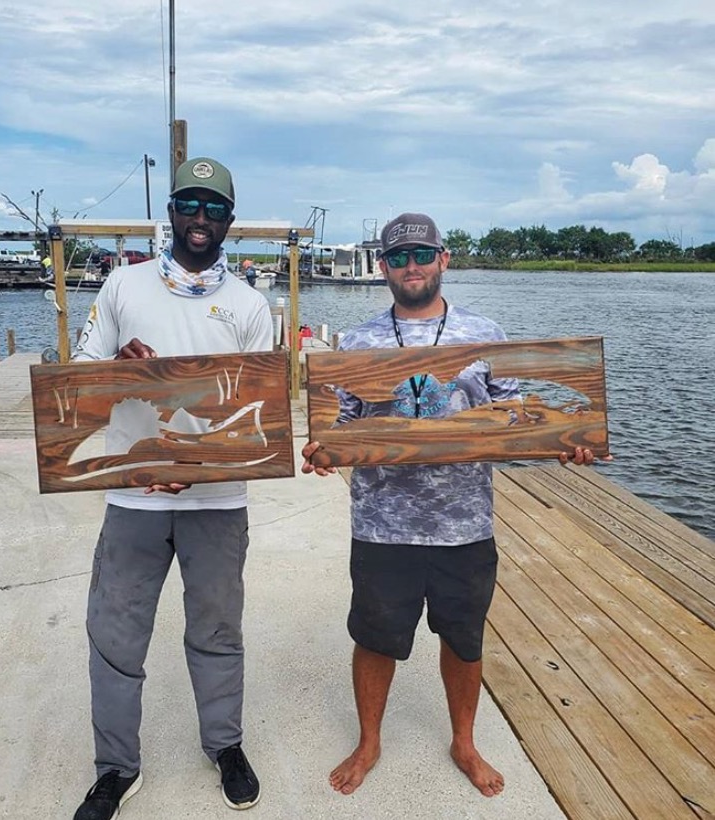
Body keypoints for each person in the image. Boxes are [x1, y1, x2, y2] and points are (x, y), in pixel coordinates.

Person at [302, 213, 602, 800]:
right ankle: (370, 741)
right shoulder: (358, 342)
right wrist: (324, 451)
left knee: (463, 639)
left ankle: (463, 741)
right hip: (382, 522)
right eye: (398, 257)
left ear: (443, 258)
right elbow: (338, 424)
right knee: (374, 636)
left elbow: (514, 414)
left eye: (421, 254)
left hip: (464, 523)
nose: (410, 266)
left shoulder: (483, 333)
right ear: (383, 267)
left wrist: (562, 440)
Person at [72, 157, 273, 819]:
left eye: (214, 208)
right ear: (171, 212)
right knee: (115, 633)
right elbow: (78, 383)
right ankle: (115, 768)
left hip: (218, 498)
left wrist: (201, 445)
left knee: (217, 629)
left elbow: (259, 412)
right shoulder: (121, 287)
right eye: (189, 204)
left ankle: (226, 744)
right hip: (133, 491)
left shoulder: (249, 304)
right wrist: (122, 378)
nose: (199, 218)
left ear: (229, 222)